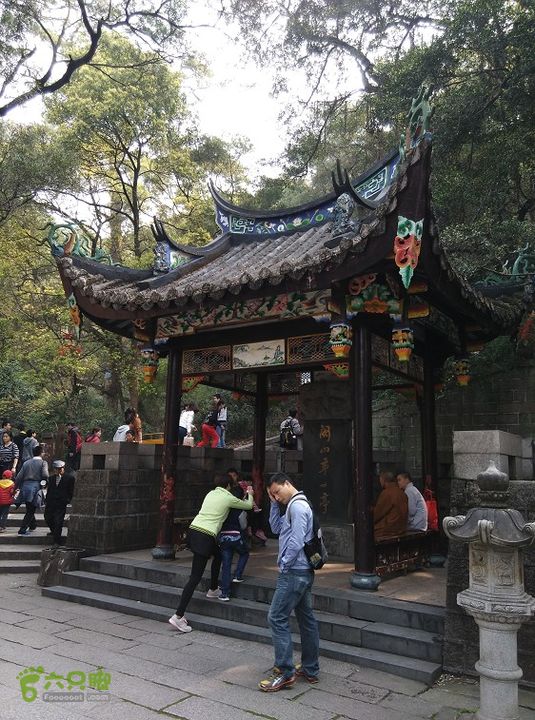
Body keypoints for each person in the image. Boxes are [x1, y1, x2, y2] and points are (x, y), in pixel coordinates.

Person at [168, 474, 253, 633]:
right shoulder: (228, 497)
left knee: (219, 554)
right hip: (205, 535)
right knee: (195, 577)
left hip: (194, 530)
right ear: (228, 485)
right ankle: (178, 615)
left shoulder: (210, 493)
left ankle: (213, 589)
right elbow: (248, 505)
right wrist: (250, 493)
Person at [258, 472, 319, 692]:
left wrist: (284, 563)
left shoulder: (297, 507)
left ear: (287, 483)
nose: (277, 496)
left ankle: (285, 672)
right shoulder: (293, 505)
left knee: (276, 617)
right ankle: (310, 668)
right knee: (306, 619)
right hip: (301, 571)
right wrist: (274, 504)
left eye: (277, 492)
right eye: (272, 494)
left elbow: (297, 540)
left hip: (294, 572)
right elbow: (276, 528)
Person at [218, 479, 251, 601]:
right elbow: (243, 525)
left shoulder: (224, 506)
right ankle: (238, 575)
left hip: (223, 538)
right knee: (244, 553)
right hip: (236, 536)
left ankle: (224, 593)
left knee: (226, 564)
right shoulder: (240, 509)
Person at [14, 444, 48, 536]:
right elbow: (45, 475)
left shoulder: (26, 463)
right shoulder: (43, 463)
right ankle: (22, 529)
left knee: (29, 507)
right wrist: (45, 484)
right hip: (35, 488)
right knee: (30, 510)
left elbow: (19, 477)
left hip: (25, 487)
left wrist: (15, 488)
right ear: (41, 453)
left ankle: (33, 525)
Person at [44, 460, 75, 545]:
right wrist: (47, 499)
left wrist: (67, 500)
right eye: (56, 469)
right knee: (48, 518)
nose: (58, 470)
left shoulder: (69, 478)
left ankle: (57, 540)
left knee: (58, 521)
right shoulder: (51, 478)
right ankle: (54, 531)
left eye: (60, 469)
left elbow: (71, 490)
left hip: (61, 502)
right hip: (51, 502)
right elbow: (49, 490)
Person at [373, 471, 408, 539]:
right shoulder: (402, 493)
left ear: (383, 480)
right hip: (401, 529)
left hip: (388, 530)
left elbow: (377, 513)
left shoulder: (386, 493)